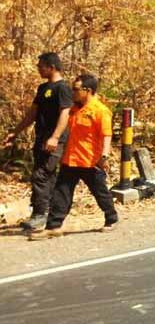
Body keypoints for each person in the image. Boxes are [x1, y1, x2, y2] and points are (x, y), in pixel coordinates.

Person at [33, 74, 118, 239]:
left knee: (100, 192)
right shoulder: (74, 108)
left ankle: (111, 218)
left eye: (76, 89)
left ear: (88, 91)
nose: (73, 92)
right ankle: (54, 226)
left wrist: (104, 156)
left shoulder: (100, 111)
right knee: (61, 193)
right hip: (71, 159)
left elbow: (106, 135)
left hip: (90, 161)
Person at [3, 52, 73, 232]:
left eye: (41, 66)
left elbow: (65, 114)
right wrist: (15, 132)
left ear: (52, 67)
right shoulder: (43, 89)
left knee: (41, 175)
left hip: (54, 140)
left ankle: (40, 215)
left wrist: (55, 137)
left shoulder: (63, 88)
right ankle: (48, 212)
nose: (38, 69)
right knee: (45, 175)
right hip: (41, 138)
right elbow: (32, 114)